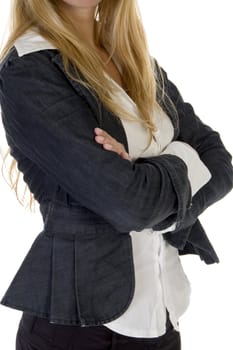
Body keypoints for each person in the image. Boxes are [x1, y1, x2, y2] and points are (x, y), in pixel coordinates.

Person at [0, 1, 232, 349]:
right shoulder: (29, 68)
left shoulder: (133, 59)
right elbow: (129, 205)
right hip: (77, 331)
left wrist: (141, 173)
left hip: (163, 321)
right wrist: (179, 158)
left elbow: (220, 163)